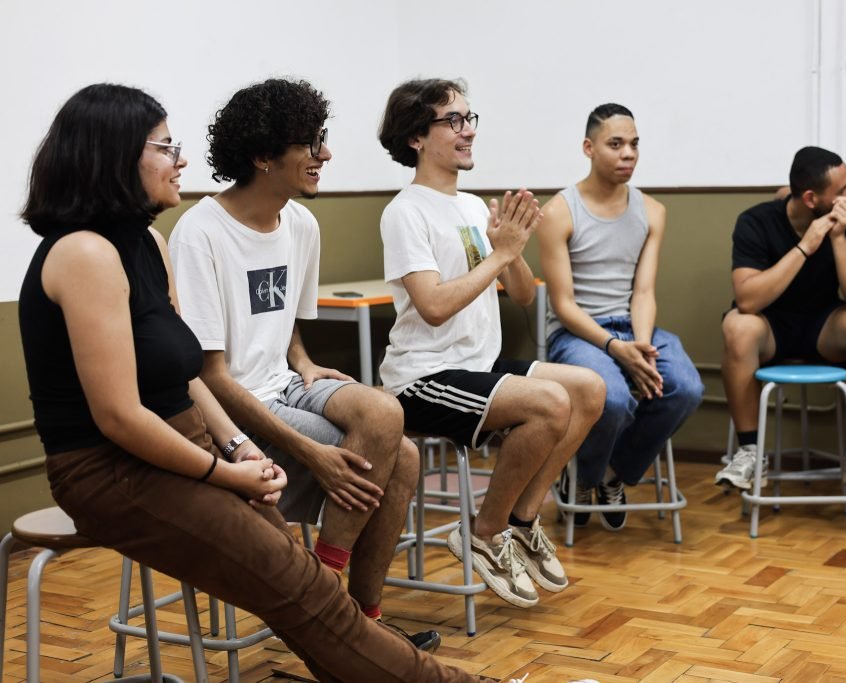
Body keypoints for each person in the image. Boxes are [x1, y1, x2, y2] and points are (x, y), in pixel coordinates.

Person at [18, 83, 488, 682]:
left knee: (309, 589)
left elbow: (186, 375)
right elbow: (120, 418)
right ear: (113, 156)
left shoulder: (147, 243)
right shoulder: (84, 254)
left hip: (188, 446)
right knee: (306, 590)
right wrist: (226, 472)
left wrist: (237, 447)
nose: (180, 160)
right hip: (113, 472)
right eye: (165, 147)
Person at [168, 79, 437, 649]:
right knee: (404, 459)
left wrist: (303, 359)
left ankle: (350, 615)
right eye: (311, 143)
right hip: (232, 411)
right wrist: (316, 455)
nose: (326, 154)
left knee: (384, 415)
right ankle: (337, 618)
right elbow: (211, 376)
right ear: (263, 156)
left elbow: (283, 315)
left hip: (287, 384)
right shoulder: (199, 232)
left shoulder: (301, 225)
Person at [376, 78, 605, 608]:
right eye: (453, 121)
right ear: (416, 137)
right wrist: (498, 255)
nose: (468, 131)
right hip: (423, 378)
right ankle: (483, 531)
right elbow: (433, 306)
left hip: (477, 365)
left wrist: (512, 249)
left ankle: (520, 521)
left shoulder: (475, 206)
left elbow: (523, 295)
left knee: (589, 389)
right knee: (551, 403)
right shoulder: (405, 211)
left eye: (469, 118)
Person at [537, 103, 703, 531]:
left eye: (634, 144)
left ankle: (612, 473)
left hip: (633, 327)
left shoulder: (653, 211)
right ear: (588, 148)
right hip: (577, 333)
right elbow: (564, 305)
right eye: (615, 144)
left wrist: (640, 347)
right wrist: (615, 348)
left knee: (685, 387)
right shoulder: (559, 211)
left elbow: (644, 292)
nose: (628, 153)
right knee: (611, 397)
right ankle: (582, 476)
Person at [714, 147, 846, 491]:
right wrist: (805, 247)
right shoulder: (756, 221)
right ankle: (750, 453)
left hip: (824, 325)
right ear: (811, 198)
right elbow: (748, 300)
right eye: (843, 190)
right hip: (769, 327)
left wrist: (838, 238)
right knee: (737, 325)